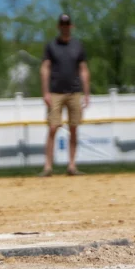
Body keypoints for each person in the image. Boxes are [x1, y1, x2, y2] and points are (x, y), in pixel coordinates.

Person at [40, 13, 91, 177]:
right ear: (58, 26)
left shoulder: (78, 46)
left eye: (67, 24)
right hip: (55, 92)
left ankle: (72, 165)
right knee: (53, 128)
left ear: (71, 26)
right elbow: (45, 68)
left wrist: (87, 93)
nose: (65, 27)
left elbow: (83, 70)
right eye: (62, 24)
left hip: (74, 92)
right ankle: (48, 167)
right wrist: (45, 92)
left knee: (74, 128)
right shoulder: (51, 46)